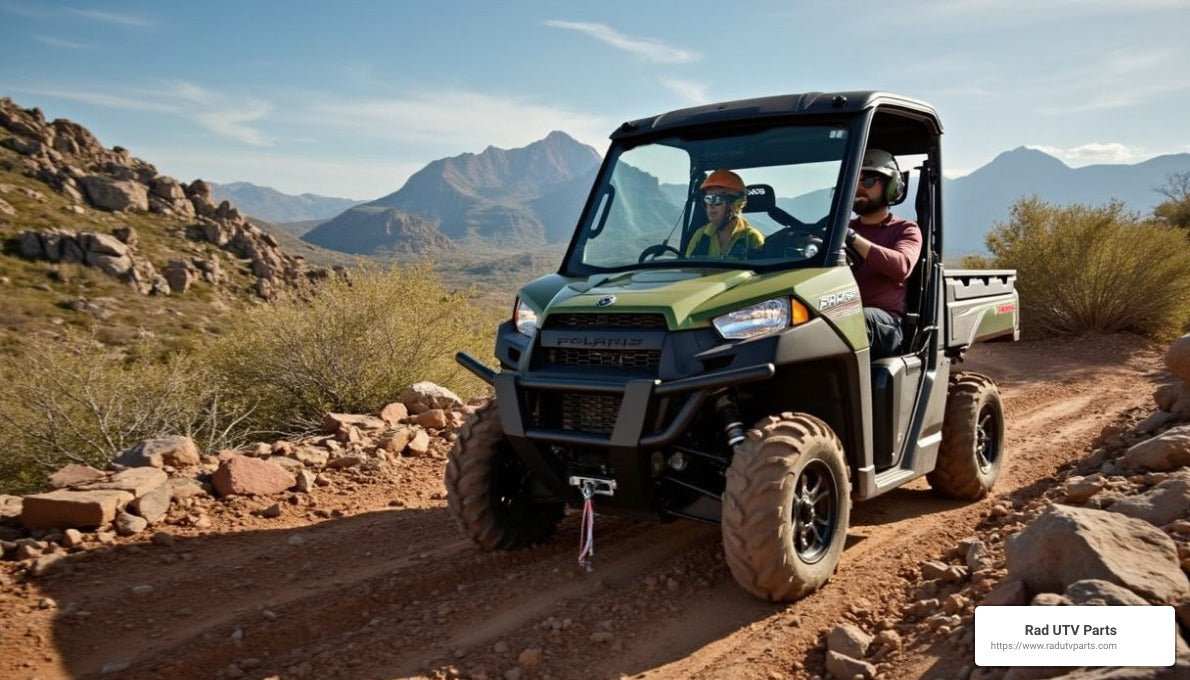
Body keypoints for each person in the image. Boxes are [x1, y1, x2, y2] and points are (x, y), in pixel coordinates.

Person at [845, 149, 923, 359]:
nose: (859, 188)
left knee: (854, 320)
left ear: (891, 187)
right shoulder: (841, 230)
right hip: (841, 315)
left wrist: (852, 238)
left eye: (868, 181)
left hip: (886, 324)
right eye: (854, 181)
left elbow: (902, 266)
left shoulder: (905, 229)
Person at [685, 169, 765, 259]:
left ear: (737, 204)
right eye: (708, 198)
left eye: (718, 199)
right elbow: (687, 270)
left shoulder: (752, 238)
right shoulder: (700, 236)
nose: (711, 205)